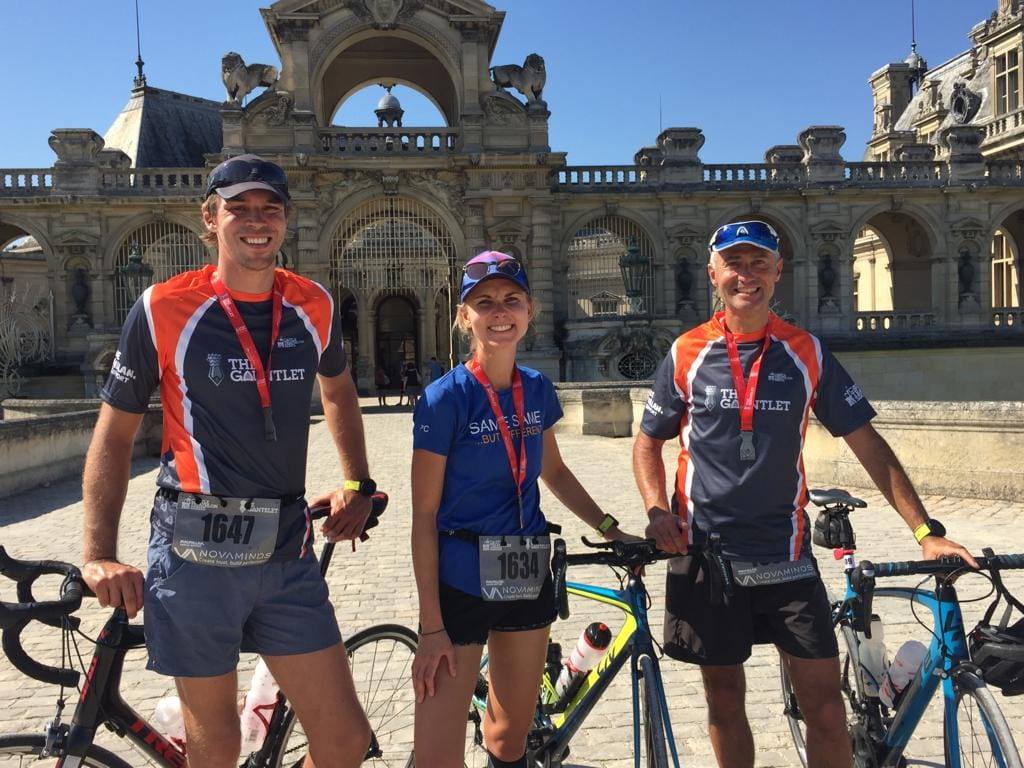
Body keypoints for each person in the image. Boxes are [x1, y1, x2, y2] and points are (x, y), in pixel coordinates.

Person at [633, 220, 977, 768]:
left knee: (824, 707)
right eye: (734, 263)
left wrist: (925, 531)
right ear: (713, 273)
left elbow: (868, 443)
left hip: (786, 556)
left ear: (777, 272)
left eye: (758, 263)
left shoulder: (806, 352)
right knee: (723, 702)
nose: (746, 275)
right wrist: (655, 511)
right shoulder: (685, 352)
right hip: (706, 554)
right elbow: (648, 443)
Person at [81, 154, 379, 768]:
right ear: (209, 219)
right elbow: (112, 437)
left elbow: (339, 386)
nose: (255, 220)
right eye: (238, 208)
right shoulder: (163, 307)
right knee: (215, 747)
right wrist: (98, 553)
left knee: (345, 740)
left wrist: (356, 479)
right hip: (195, 553)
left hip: (285, 547)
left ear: (286, 220)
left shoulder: (313, 304)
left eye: (269, 208)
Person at [410, 251, 635, 767]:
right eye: (484, 302)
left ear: (529, 310)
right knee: (437, 754)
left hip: (526, 569)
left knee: (511, 736)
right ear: (465, 315)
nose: (500, 312)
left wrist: (609, 529)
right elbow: (423, 514)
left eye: (511, 300)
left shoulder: (536, 389)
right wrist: (430, 625)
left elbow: (552, 472)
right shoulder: (444, 399)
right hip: (462, 579)